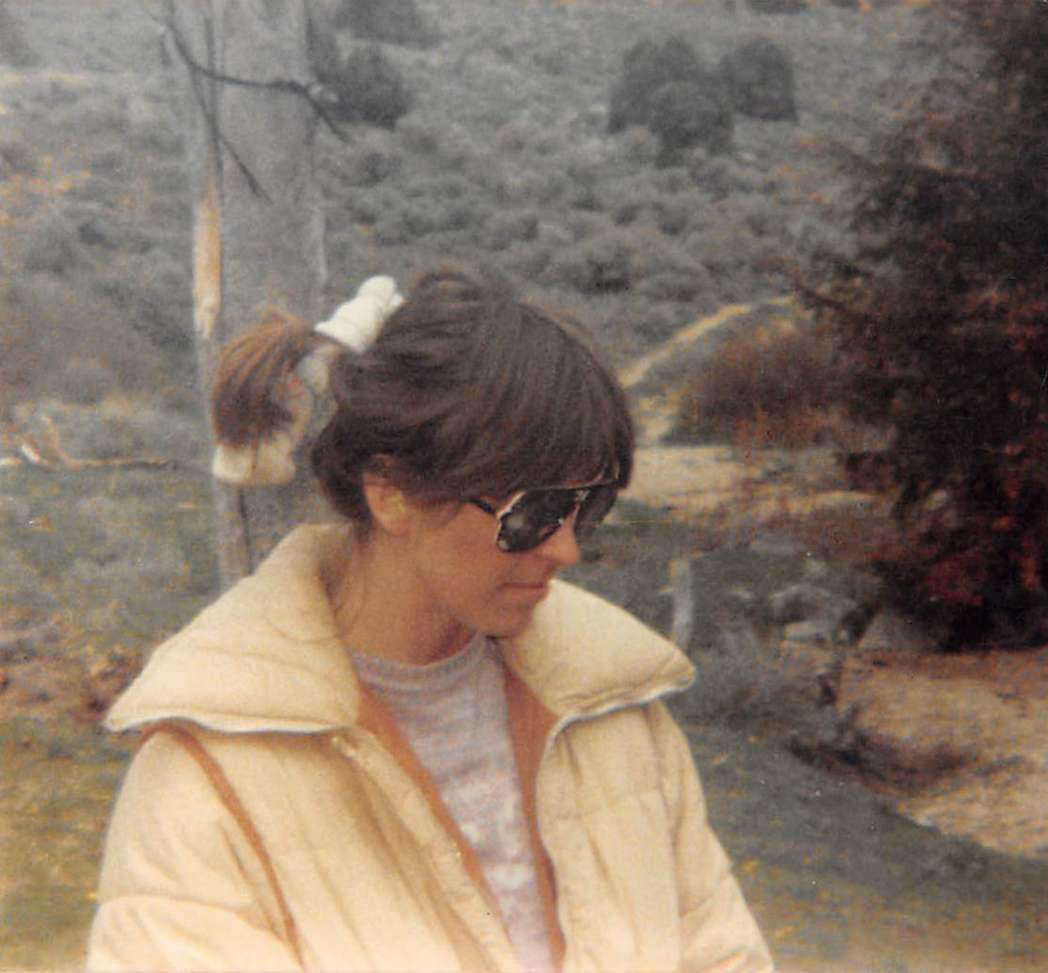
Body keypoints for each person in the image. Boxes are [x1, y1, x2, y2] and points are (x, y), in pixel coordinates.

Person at [87, 264, 774, 972]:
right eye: (532, 512)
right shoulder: (205, 781)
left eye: (586, 508)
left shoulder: (617, 713)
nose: (566, 548)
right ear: (391, 493)